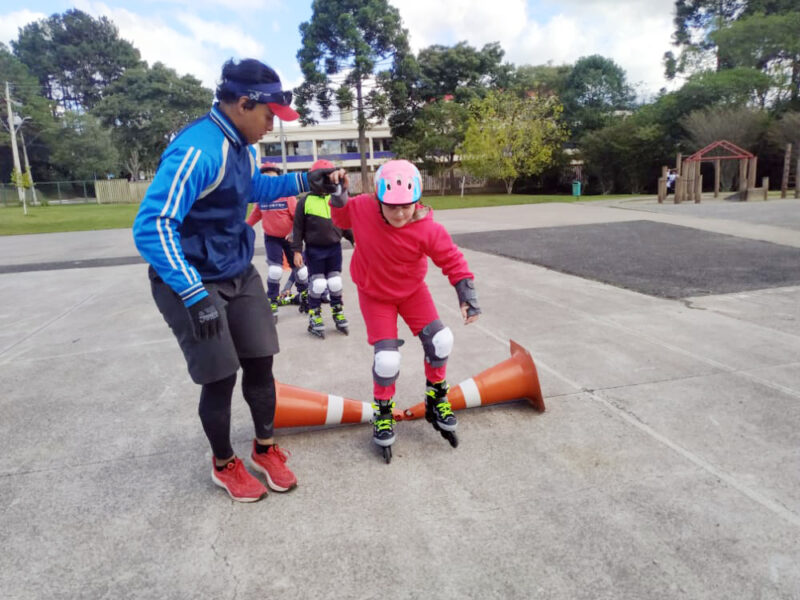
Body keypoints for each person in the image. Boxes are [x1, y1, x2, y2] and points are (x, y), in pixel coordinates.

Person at [132, 58, 342, 502]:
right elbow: (152, 226)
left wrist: (308, 180)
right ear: (244, 104)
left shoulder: (243, 148)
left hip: (235, 271)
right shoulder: (198, 151)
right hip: (188, 279)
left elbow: (255, 192)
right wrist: (192, 294)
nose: (271, 125)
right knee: (221, 375)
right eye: (268, 116)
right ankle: (224, 463)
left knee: (262, 360)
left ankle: (265, 450)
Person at [328, 159, 481, 462]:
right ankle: (383, 412)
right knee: (387, 359)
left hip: (412, 292)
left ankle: (436, 397)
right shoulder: (362, 207)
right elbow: (342, 218)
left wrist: (466, 293)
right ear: (378, 199)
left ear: (417, 200)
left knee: (441, 340)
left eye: (406, 206)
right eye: (392, 207)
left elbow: (452, 260)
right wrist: (338, 193)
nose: (400, 214)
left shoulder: (427, 227)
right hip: (375, 294)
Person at [291, 159, 355, 338]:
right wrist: (296, 250)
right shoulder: (305, 201)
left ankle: (337, 311)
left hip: (334, 248)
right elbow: (297, 228)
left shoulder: (335, 199)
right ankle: (315, 316)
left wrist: (353, 239)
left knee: (335, 283)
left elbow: (344, 223)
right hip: (314, 250)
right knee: (318, 284)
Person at [246, 162, 309, 319]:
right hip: (271, 238)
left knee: (301, 270)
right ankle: (272, 301)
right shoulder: (262, 197)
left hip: (290, 237)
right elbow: (256, 214)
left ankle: (305, 295)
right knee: (275, 271)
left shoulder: (287, 195)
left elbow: (298, 218)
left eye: (273, 179)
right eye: (266, 180)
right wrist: (244, 227)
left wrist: (294, 233)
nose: (270, 184)